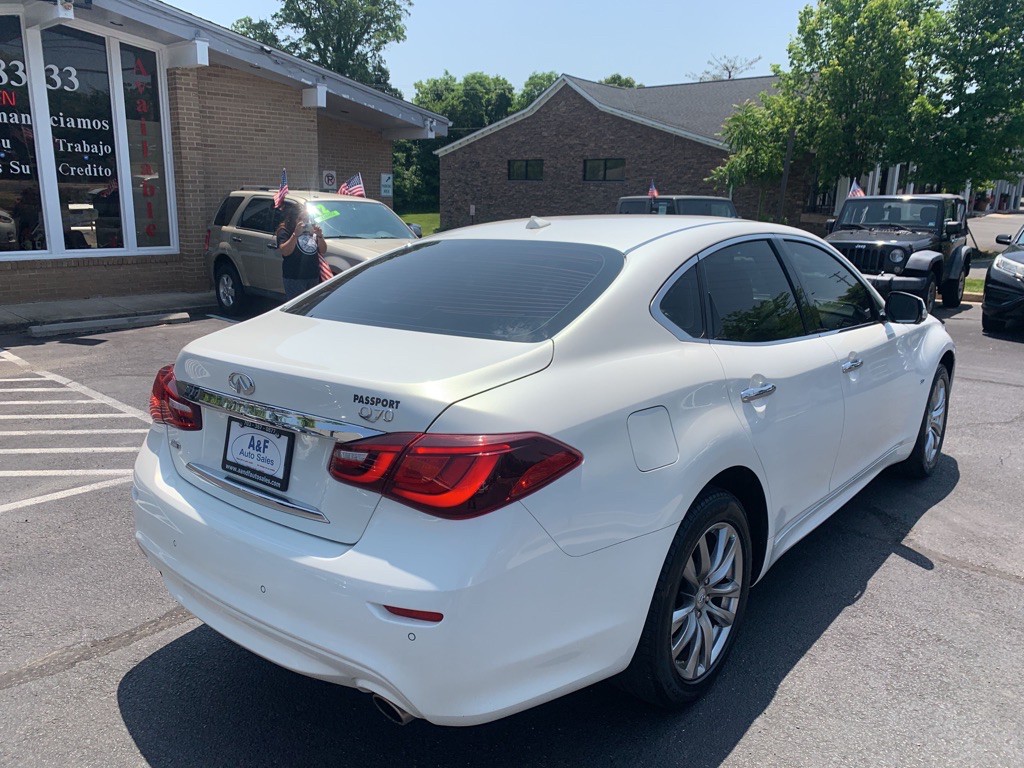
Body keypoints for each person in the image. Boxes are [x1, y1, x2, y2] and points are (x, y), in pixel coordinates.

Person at [276, 203, 326, 299]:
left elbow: (323, 250)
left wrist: (320, 236)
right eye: (300, 219)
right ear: (293, 219)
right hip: (294, 277)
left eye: (306, 218)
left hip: (313, 275)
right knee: (299, 306)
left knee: (312, 304)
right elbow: (285, 252)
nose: (304, 222)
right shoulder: (285, 230)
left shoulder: (311, 229)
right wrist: (295, 235)